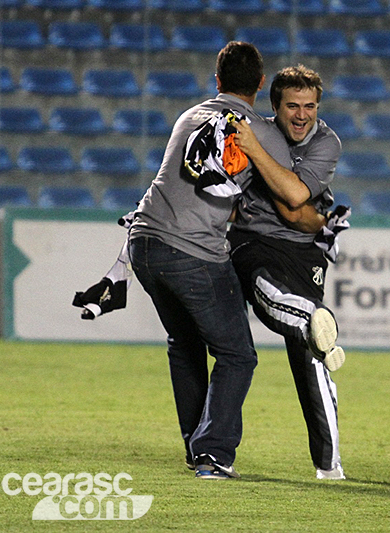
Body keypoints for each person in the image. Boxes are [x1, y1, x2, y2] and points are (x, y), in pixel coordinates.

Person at [127, 41, 293, 480]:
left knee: (184, 344)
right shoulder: (261, 130)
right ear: (260, 83)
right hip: (192, 249)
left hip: (143, 242)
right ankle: (213, 455)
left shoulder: (189, 116)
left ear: (216, 80)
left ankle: (195, 446)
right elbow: (289, 194)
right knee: (237, 354)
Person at [227, 65, 348, 480]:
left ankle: (329, 465)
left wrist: (259, 156)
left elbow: (294, 200)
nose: (302, 115)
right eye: (292, 106)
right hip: (252, 241)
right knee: (264, 292)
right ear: (275, 106)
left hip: (303, 252)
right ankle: (312, 319)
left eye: (310, 106)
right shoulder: (256, 128)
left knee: (311, 353)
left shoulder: (327, 143)